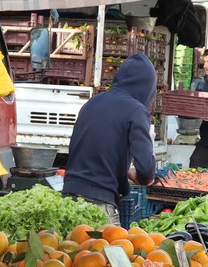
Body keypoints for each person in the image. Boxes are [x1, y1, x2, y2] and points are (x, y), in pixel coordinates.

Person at [62, 52, 160, 219]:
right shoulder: (136, 110)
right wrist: (140, 176)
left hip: (69, 194)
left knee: (71, 237)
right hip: (100, 201)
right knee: (106, 238)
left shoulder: (92, 102)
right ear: (148, 87)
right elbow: (145, 170)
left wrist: (123, 169)